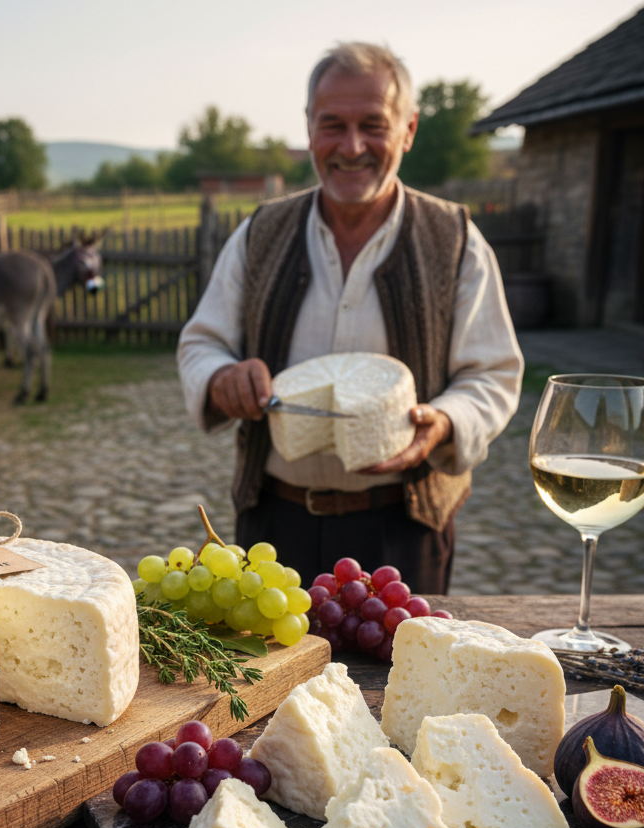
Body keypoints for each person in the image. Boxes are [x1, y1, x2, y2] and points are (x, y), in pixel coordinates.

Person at [176, 42, 523, 594]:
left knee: (397, 681)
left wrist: (447, 422)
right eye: (332, 124)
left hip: (403, 531)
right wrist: (222, 377)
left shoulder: (455, 241)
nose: (352, 146)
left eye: (373, 125)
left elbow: (493, 374)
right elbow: (202, 344)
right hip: (274, 526)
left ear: (408, 130)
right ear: (309, 127)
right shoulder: (259, 233)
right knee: (272, 679)